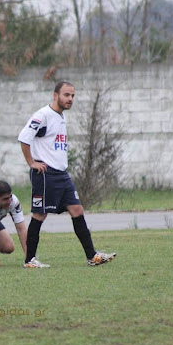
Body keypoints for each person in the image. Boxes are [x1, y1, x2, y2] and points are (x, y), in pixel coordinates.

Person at [18, 81, 115, 268]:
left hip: (62, 175)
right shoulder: (43, 115)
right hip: (46, 174)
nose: (70, 99)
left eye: (72, 96)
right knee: (40, 214)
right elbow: (24, 137)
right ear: (55, 95)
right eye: (66, 95)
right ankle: (29, 260)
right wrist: (32, 162)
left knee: (77, 210)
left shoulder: (61, 117)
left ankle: (92, 256)